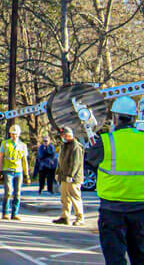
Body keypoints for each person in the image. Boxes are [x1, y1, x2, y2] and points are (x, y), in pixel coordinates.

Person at [86, 96, 144, 265]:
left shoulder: (106, 142)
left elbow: (90, 161)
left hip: (112, 211)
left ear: (115, 117)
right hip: (141, 210)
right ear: (134, 118)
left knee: (115, 259)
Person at [0, 123, 31, 221]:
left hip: (18, 171)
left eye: (16, 134)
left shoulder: (23, 146)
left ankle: (15, 213)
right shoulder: (5, 143)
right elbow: (1, 158)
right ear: (10, 134)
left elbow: (24, 160)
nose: (14, 136)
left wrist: (26, 174)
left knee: (17, 193)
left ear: (19, 134)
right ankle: (5, 213)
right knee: (8, 192)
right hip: (7, 170)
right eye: (12, 134)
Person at [53, 126, 84, 226]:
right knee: (64, 197)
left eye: (63, 135)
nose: (62, 137)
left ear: (68, 135)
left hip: (73, 178)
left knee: (75, 197)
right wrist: (58, 173)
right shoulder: (64, 145)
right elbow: (60, 161)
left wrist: (71, 175)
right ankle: (65, 216)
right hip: (64, 176)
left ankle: (80, 218)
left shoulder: (76, 146)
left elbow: (75, 162)